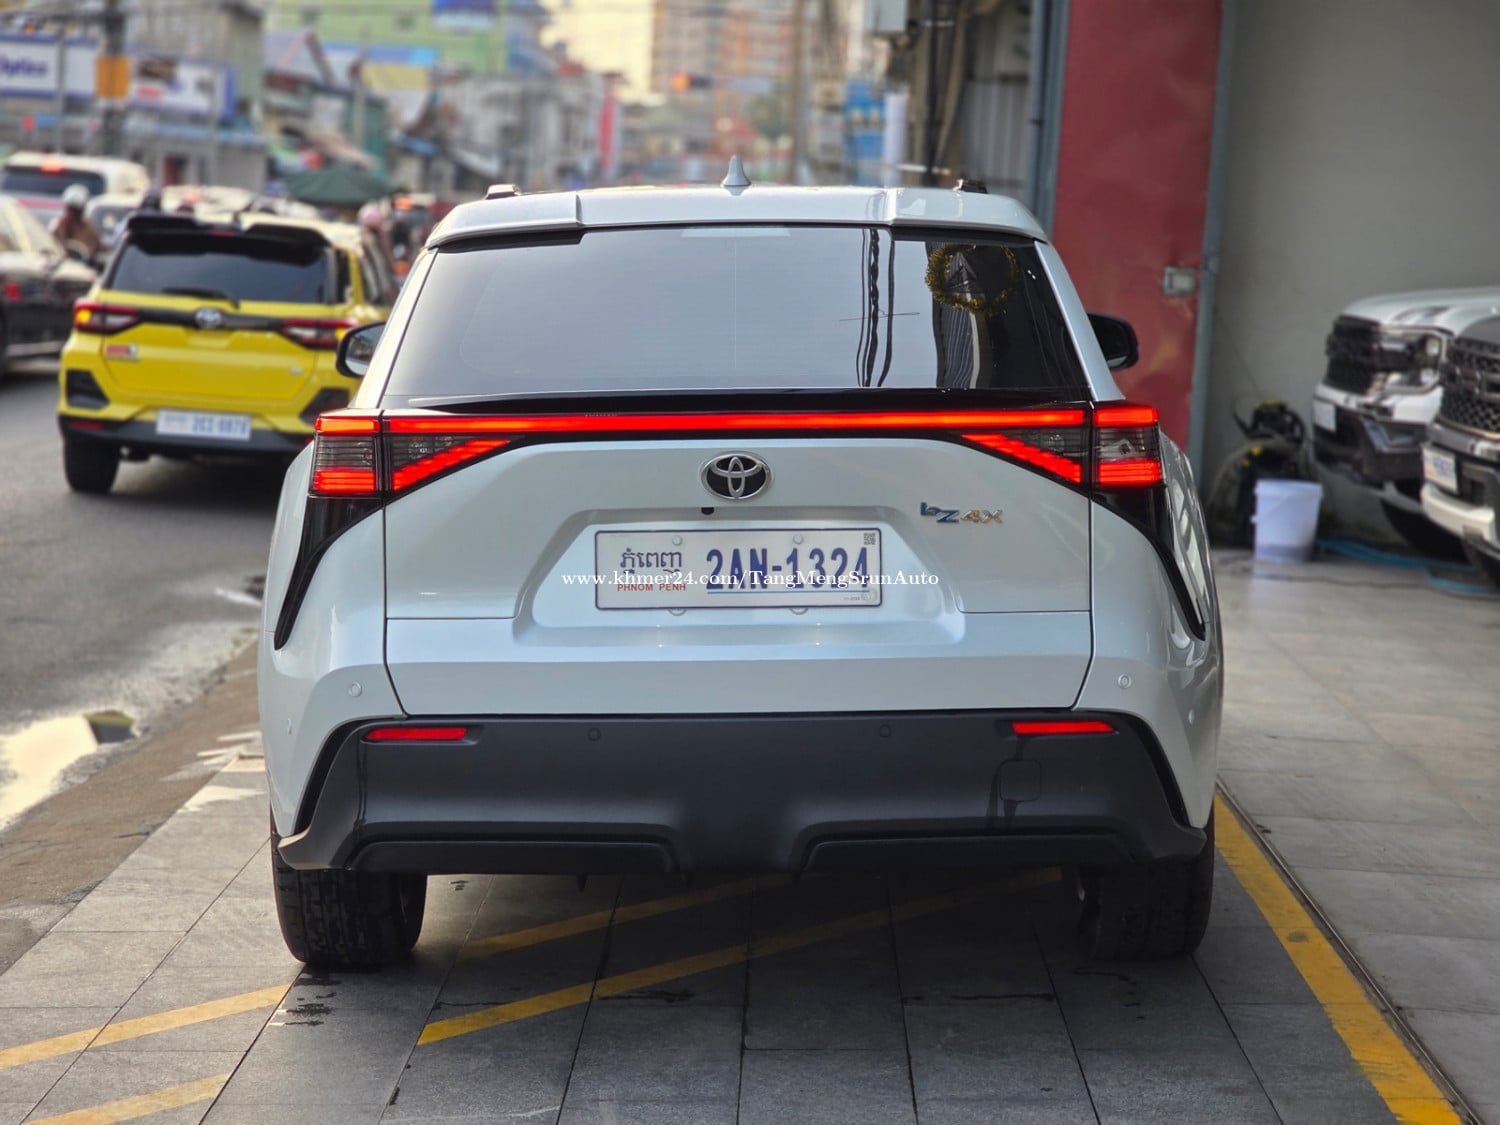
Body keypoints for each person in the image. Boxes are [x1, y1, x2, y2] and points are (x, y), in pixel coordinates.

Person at [50, 184, 103, 262]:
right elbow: (51, 247)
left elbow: (95, 248)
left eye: (76, 211)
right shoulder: (57, 226)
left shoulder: (89, 229)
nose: (72, 214)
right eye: (71, 209)